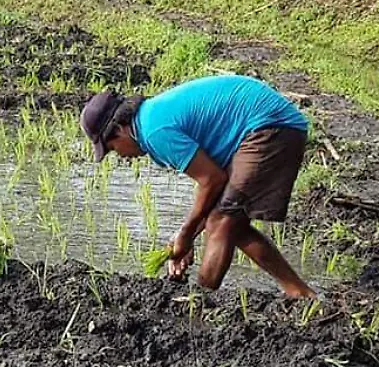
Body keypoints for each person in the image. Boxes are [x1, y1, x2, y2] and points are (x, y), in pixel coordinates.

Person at [81, 74, 316, 298]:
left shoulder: (155, 132)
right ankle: (300, 293)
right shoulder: (150, 119)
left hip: (269, 126)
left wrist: (185, 233)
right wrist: (187, 236)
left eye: (112, 149)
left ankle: (200, 300)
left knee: (221, 222)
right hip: (264, 125)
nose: (120, 156)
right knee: (233, 224)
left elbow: (212, 180)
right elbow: (212, 184)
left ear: (120, 129)